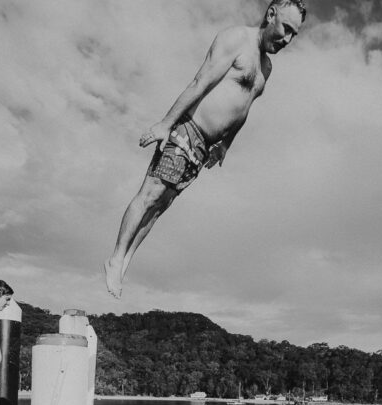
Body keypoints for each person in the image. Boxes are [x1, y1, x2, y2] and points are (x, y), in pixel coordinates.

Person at [104, 0, 306, 298]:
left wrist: (226, 145)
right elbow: (200, 82)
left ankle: (127, 259)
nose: (287, 39)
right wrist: (165, 123)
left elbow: (243, 108)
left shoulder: (266, 68)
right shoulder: (236, 38)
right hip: (187, 127)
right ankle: (116, 256)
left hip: (205, 146)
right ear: (271, 14)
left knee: (161, 207)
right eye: (286, 29)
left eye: (294, 35)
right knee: (150, 194)